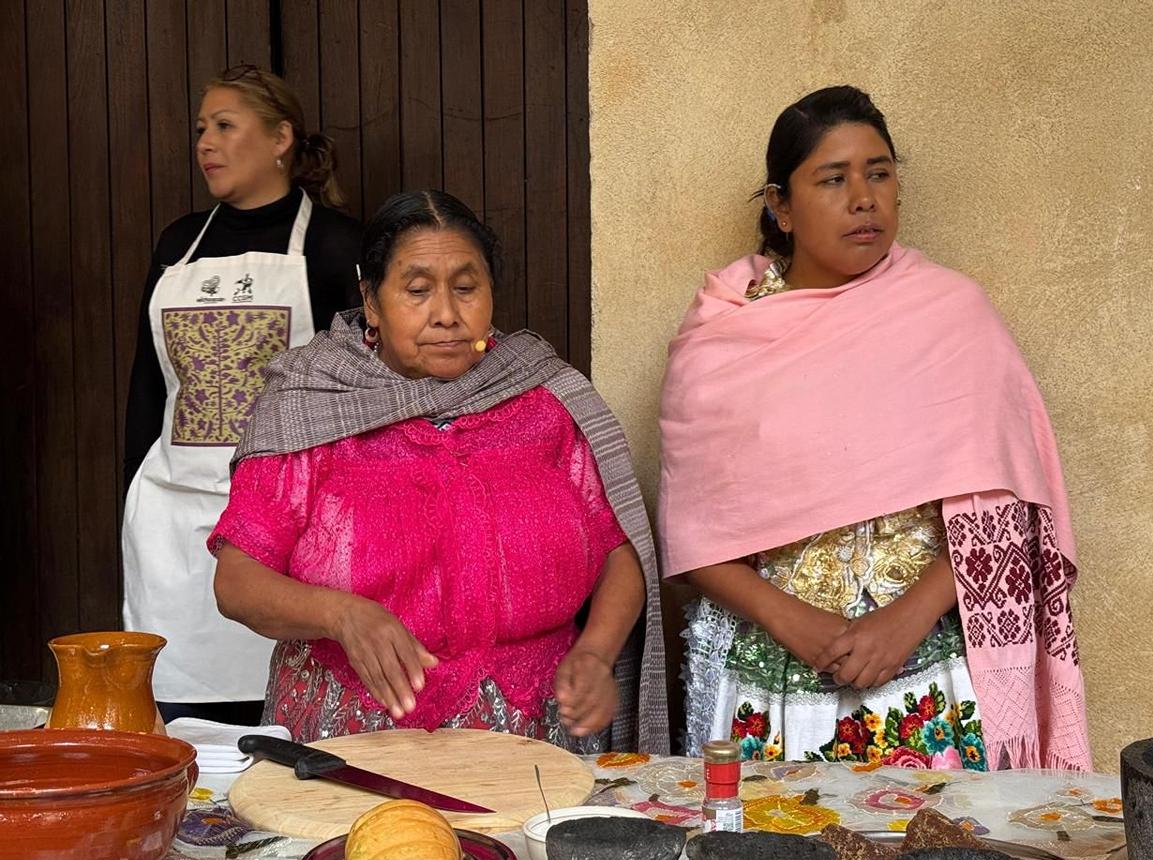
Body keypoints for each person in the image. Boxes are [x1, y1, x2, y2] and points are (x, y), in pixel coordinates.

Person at [658, 86, 1091, 770]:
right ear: (781, 206)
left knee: (934, 857)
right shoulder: (725, 337)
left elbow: (1007, 498)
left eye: (880, 173)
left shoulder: (950, 314)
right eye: (833, 179)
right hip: (772, 677)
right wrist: (793, 622)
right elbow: (693, 529)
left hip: (929, 675)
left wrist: (908, 618)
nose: (864, 198)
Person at [207, 190, 669, 752]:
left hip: (534, 736)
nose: (447, 314)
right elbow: (237, 582)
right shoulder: (311, 404)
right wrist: (341, 615)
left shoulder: (545, 398)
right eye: (418, 290)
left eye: (467, 288)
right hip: (351, 744)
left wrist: (595, 651)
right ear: (371, 302)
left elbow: (619, 548)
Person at [122, 65, 362, 725]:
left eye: (225, 126)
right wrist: (132, 495)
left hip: (285, 532)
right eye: (201, 129)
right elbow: (149, 385)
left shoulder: (334, 246)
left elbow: (366, 395)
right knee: (183, 728)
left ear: (281, 137)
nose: (206, 143)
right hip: (173, 530)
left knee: (286, 727)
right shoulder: (179, 244)